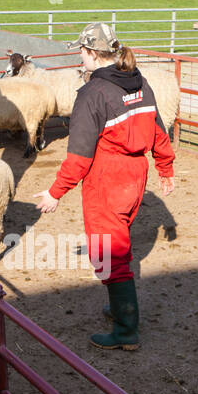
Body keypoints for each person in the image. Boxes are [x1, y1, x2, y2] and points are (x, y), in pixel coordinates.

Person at [36, 23, 175, 351]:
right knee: (118, 243)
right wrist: (165, 167)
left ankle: (126, 330)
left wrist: (56, 191)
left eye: (81, 52)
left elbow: (80, 155)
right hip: (135, 173)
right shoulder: (140, 81)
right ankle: (117, 306)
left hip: (107, 178)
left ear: (90, 53)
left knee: (110, 254)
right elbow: (157, 130)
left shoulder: (92, 94)